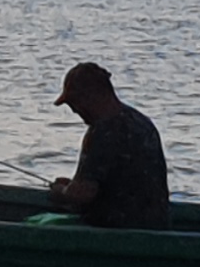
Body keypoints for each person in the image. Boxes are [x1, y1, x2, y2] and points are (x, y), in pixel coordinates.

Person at [46, 61, 173, 228]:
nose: (74, 111)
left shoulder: (103, 131)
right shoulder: (141, 122)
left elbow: (83, 194)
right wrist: (72, 186)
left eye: (73, 103)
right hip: (155, 226)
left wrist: (61, 191)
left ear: (88, 96)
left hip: (117, 232)